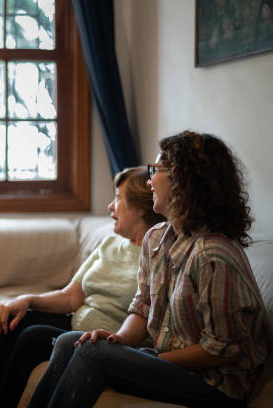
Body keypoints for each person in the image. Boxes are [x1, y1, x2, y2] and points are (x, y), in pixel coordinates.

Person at [28, 131, 270, 408]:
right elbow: (142, 308)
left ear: (184, 180)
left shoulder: (214, 254)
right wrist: (119, 339)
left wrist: (153, 359)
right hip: (169, 364)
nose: (149, 180)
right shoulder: (156, 238)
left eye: (155, 170)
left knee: (94, 354)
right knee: (68, 342)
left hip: (216, 385)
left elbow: (224, 348)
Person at [0, 166, 166, 407]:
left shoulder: (158, 254)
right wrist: (25, 300)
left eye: (117, 198)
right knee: (3, 321)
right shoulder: (110, 243)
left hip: (101, 340)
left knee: (32, 336)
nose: (110, 206)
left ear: (141, 207)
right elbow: (71, 296)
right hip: (75, 322)